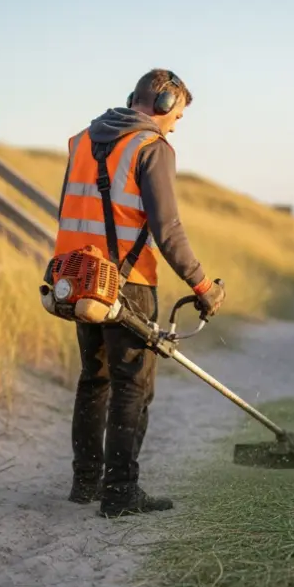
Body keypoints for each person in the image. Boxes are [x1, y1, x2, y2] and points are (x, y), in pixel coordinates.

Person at [53, 68, 226, 518]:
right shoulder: (152, 146)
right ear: (163, 104)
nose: (175, 126)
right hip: (127, 283)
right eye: (177, 116)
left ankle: (85, 484)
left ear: (134, 96)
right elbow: (168, 229)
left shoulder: (82, 141)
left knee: (94, 380)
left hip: (79, 278)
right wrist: (203, 286)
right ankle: (120, 493)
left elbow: (68, 210)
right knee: (132, 386)